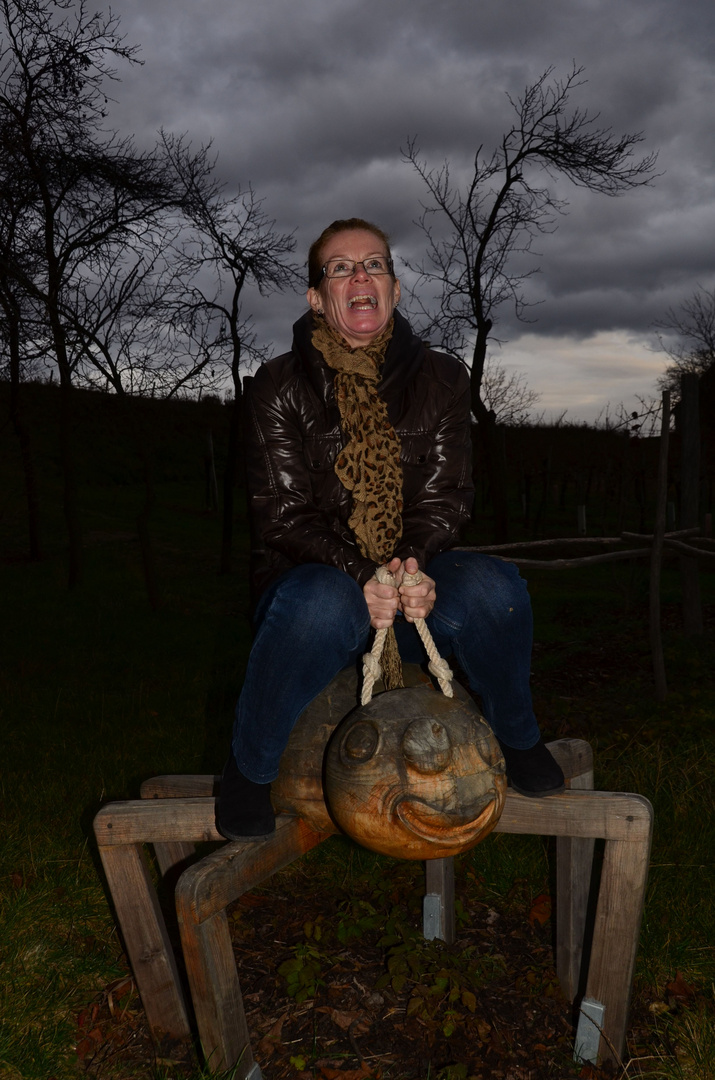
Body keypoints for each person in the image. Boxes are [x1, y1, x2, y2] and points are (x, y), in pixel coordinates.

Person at [217, 217, 564, 841]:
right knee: (319, 599)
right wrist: (362, 575)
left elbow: (447, 496)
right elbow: (283, 516)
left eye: (373, 265)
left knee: (493, 587)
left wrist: (411, 565)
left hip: (414, 582)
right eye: (340, 268)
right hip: (315, 591)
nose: (359, 277)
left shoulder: (442, 378)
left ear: (395, 289)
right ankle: (247, 770)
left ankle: (517, 736)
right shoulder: (277, 385)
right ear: (318, 298)